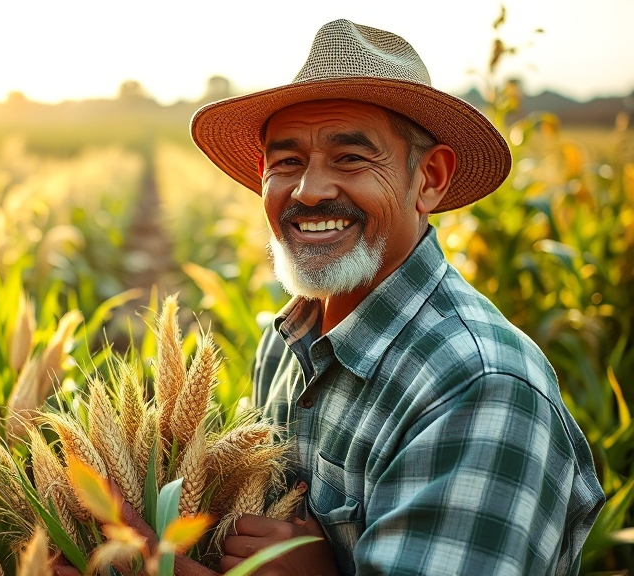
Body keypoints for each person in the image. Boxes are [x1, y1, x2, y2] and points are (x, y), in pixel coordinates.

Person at [183, 18, 606, 576]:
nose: (309, 191)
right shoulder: (284, 343)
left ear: (428, 178)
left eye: (351, 158)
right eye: (286, 162)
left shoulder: (480, 388)